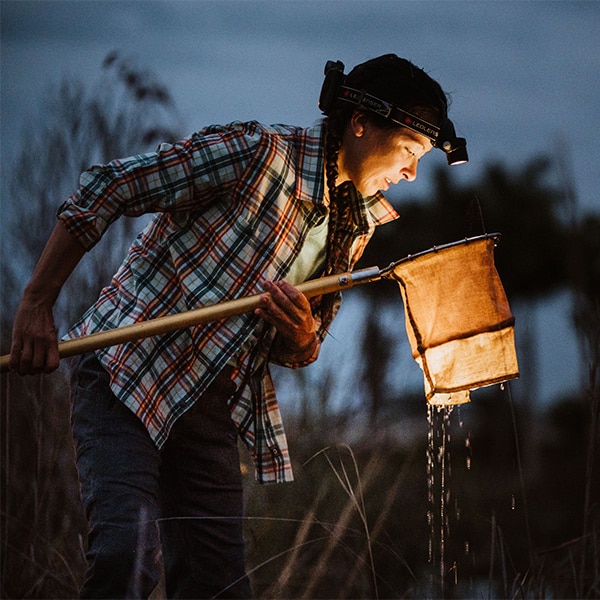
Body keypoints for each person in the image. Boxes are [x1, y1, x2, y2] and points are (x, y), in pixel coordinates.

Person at [9, 54, 467, 598]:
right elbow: (107, 187)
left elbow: (301, 348)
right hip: (127, 375)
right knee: (124, 561)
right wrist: (37, 301)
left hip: (210, 403)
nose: (412, 173)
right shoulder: (258, 153)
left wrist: (300, 337)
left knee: (218, 586)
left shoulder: (356, 225)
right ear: (361, 124)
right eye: (410, 152)